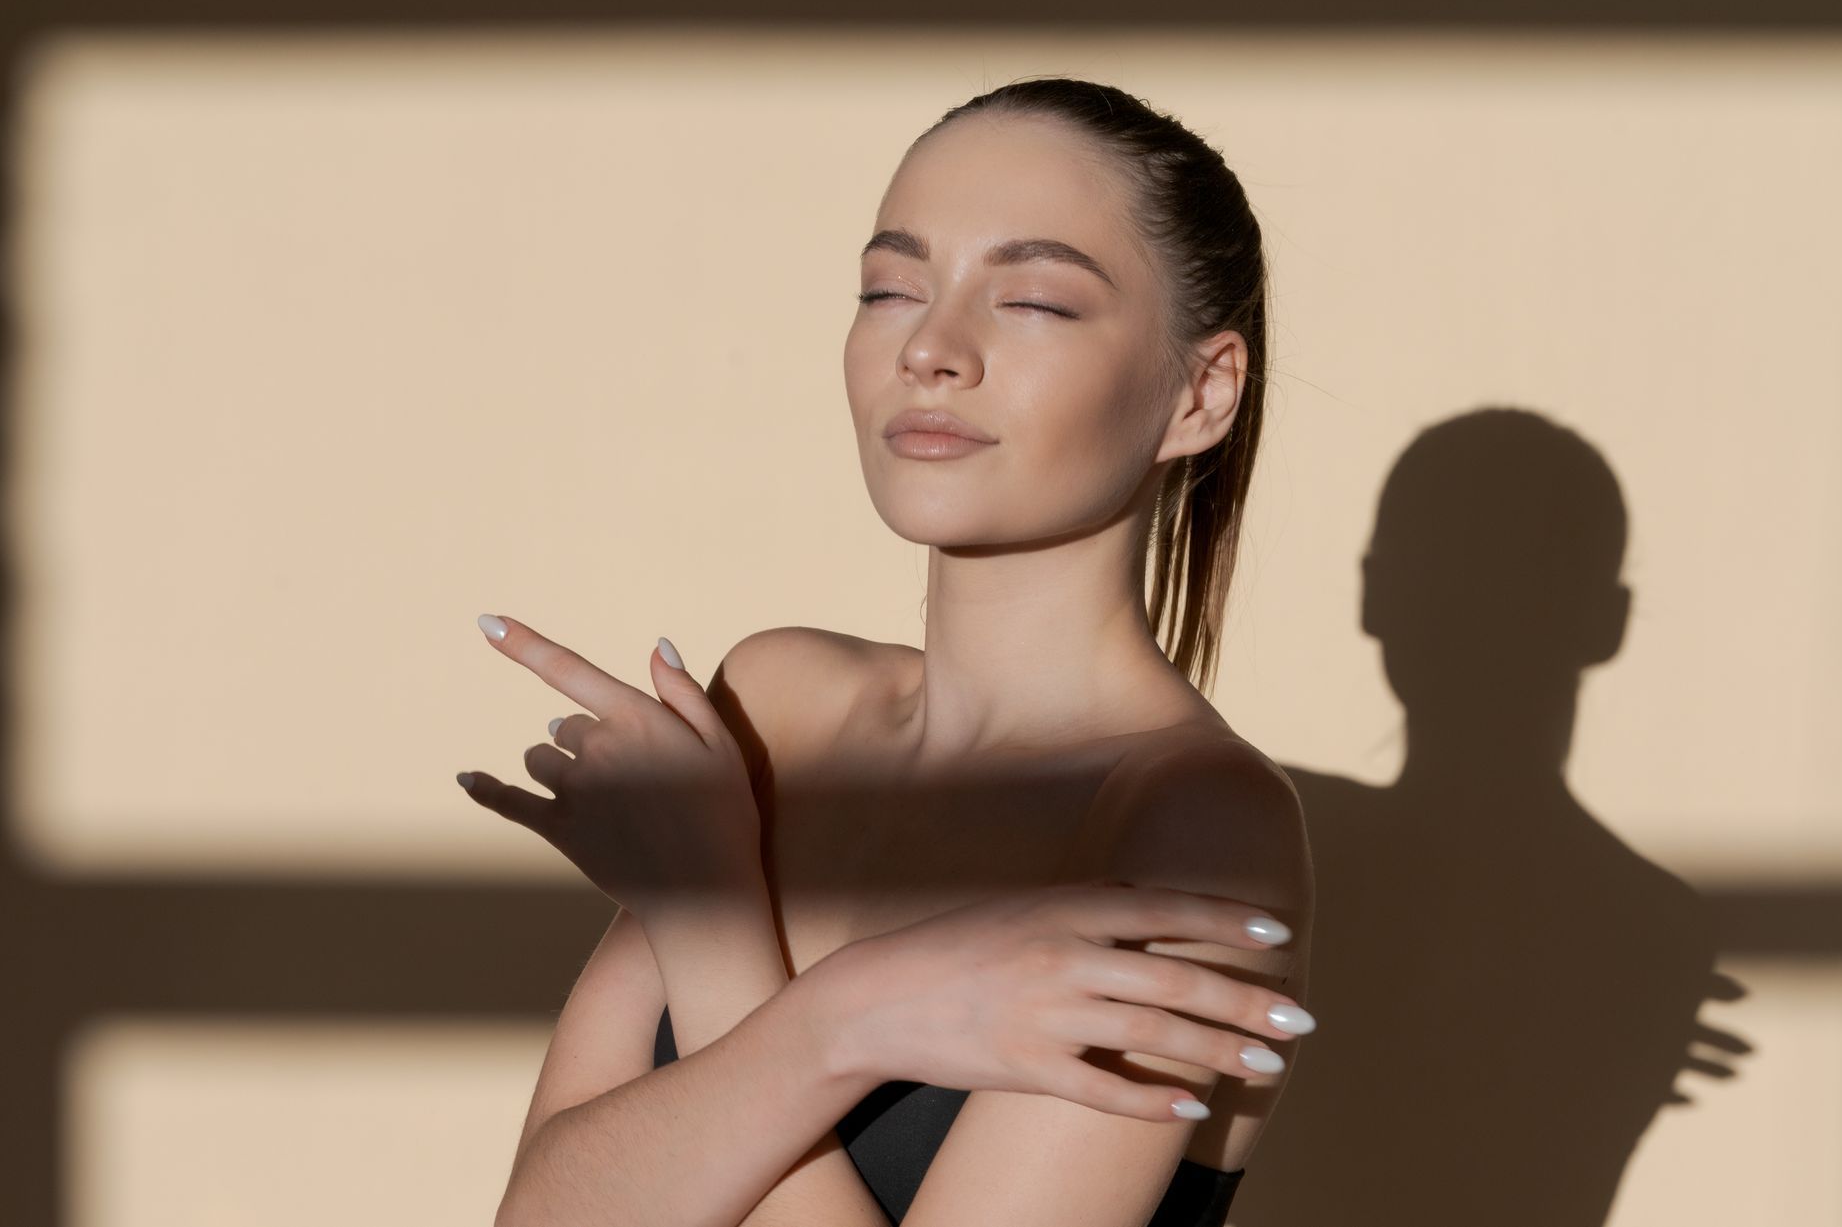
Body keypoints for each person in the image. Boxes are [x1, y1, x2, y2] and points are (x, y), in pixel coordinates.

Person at [460, 76, 1317, 1227]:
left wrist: (741, 939)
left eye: (1034, 303)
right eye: (890, 287)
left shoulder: (1194, 822)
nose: (931, 348)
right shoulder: (779, 703)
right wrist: (851, 1014)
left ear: (1201, 394)